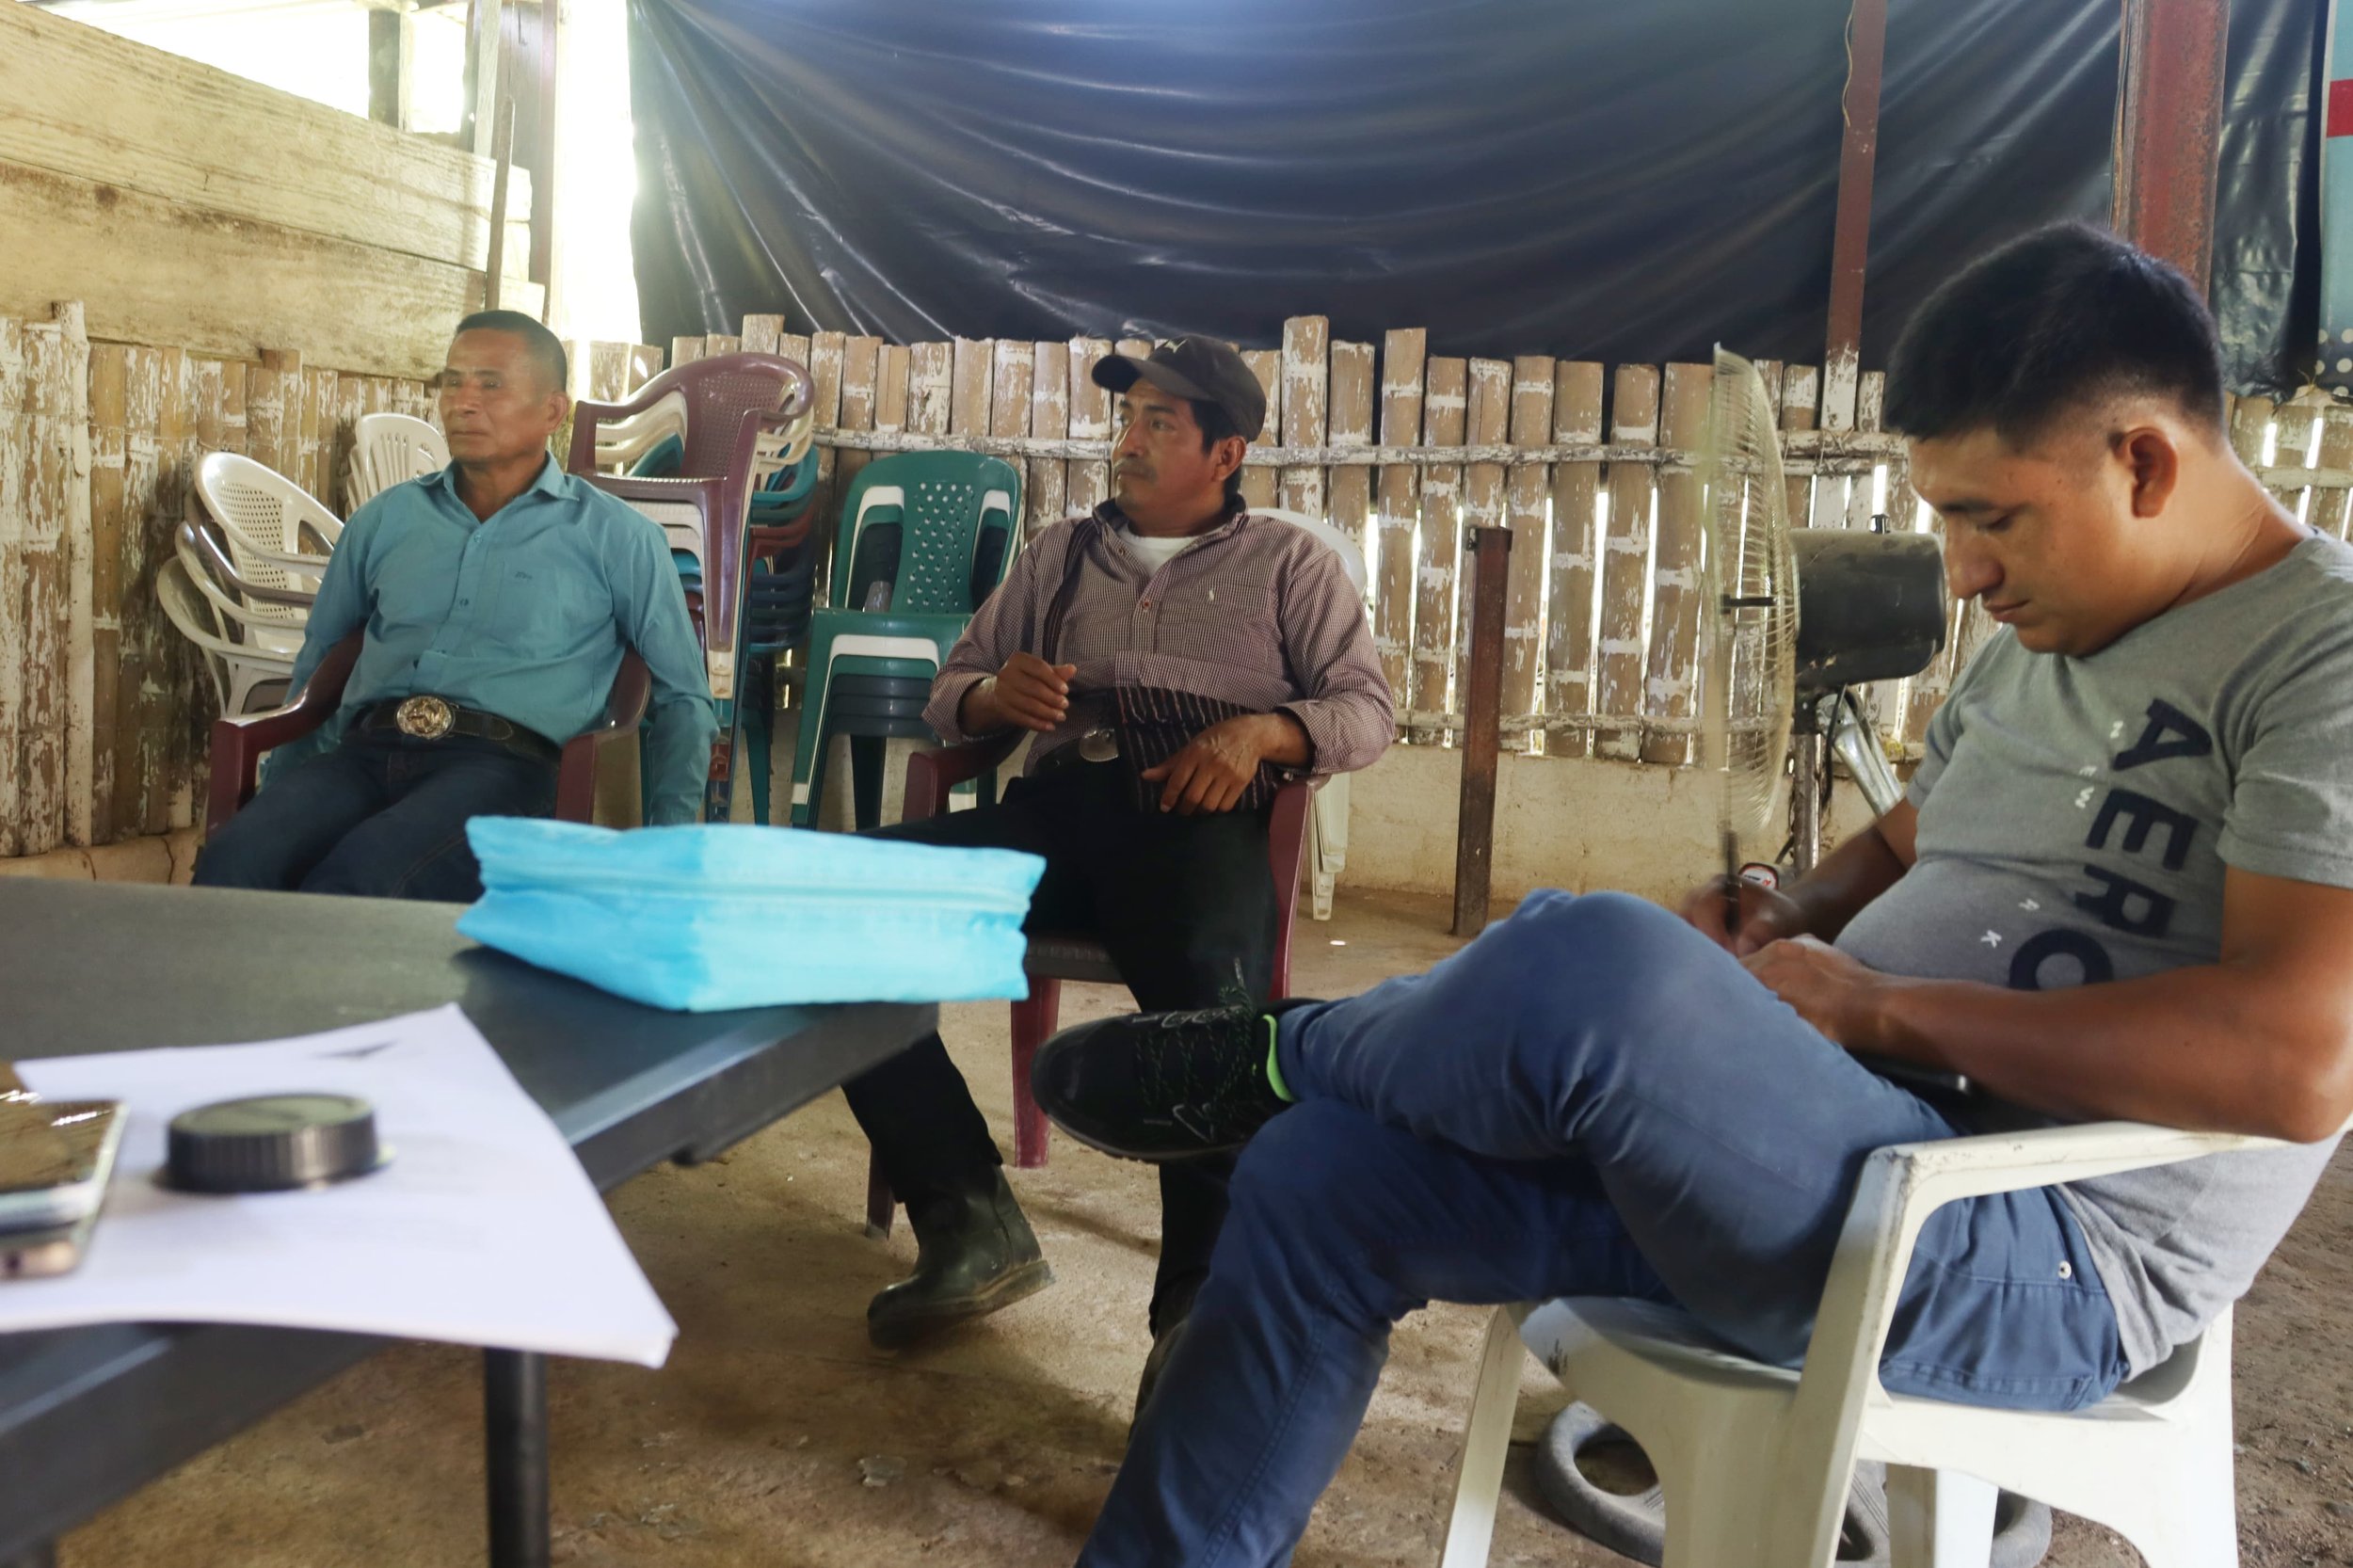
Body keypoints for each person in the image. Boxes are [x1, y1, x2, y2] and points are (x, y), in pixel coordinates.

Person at [1028, 224, 2353, 1565]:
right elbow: (1917, 835)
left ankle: (1278, 1052)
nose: (1962, 570)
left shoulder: (2325, 654)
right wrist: (1786, 910)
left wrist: (1878, 1008)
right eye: (1948, 518)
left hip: (2032, 1252)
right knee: (1322, 1172)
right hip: (1837, 1149)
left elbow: (2298, 1064)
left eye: (1989, 518)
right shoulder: (2054, 629)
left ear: (2143, 462)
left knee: (1593, 960)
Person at [843, 337, 1395, 1381]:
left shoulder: (1290, 565)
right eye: (1127, 417)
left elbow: (1365, 711)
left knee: (1212, 1024)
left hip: (1196, 826)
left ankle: (1195, 1311)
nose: (1127, 440)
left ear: (1225, 452)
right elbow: (951, 690)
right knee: (836, 904)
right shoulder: (1058, 555)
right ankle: (967, 1219)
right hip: (1056, 816)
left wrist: (1263, 732)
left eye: (1158, 423)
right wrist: (992, 696)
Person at [195, 311, 715, 899]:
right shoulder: (384, 520)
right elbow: (320, 666)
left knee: (360, 879)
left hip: (505, 770)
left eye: (490, 384)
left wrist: (665, 851)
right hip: (365, 751)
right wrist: (281, 802)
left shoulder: (616, 537)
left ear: (552, 411)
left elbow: (684, 700)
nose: (463, 403)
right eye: (452, 381)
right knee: (236, 860)